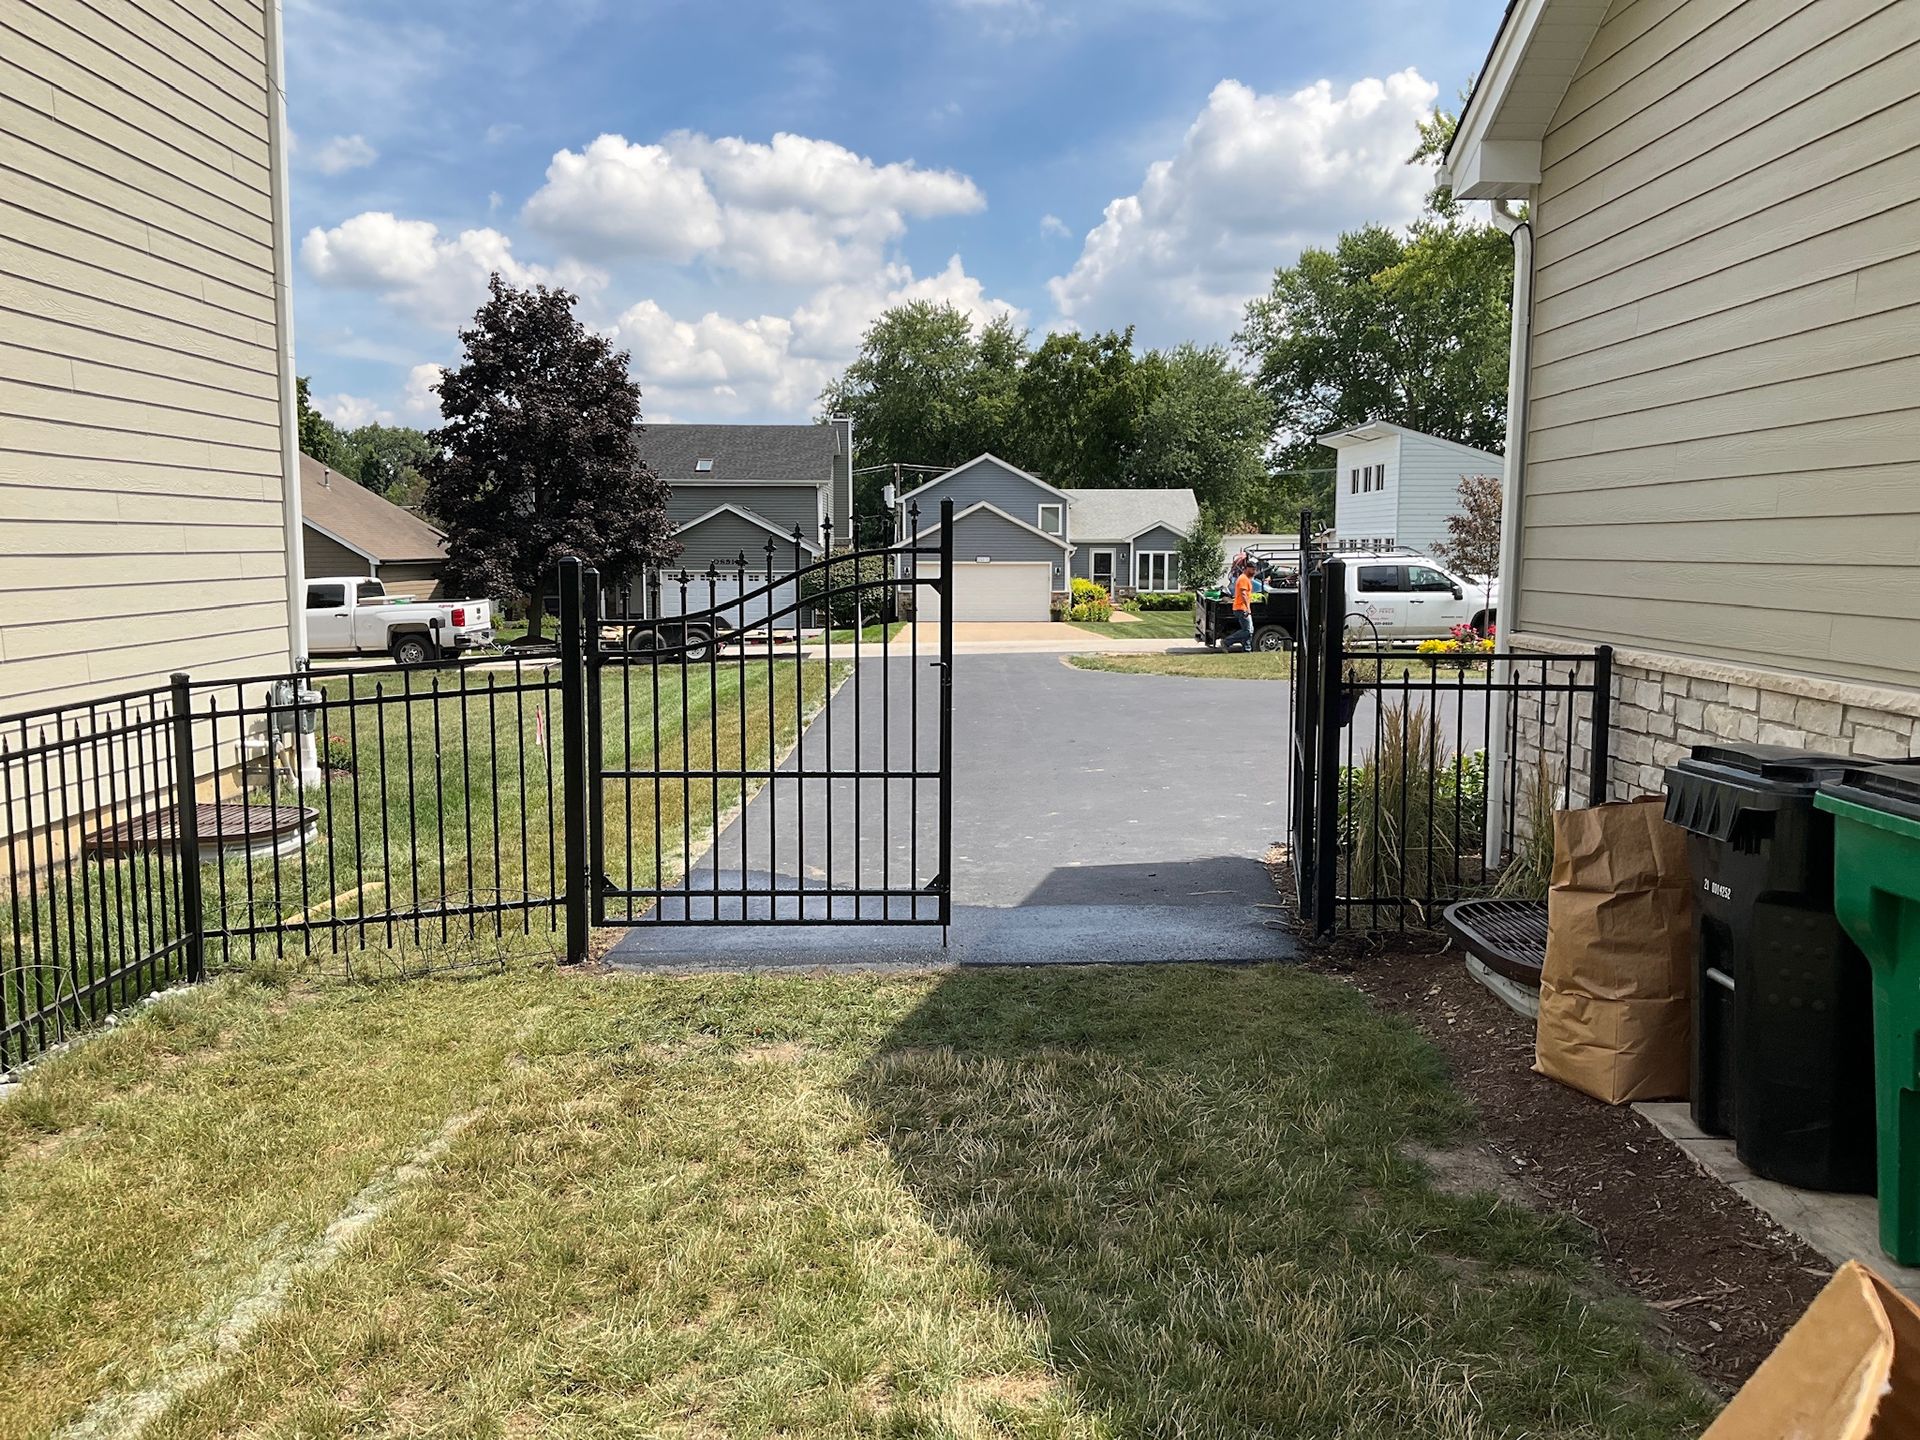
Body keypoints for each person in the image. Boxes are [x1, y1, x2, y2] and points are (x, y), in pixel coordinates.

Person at [1222, 566, 1256, 652]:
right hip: (1241, 608)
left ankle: (1247, 650)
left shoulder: (1246, 578)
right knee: (1248, 631)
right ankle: (1226, 642)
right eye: (1252, 569)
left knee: (1249, 630)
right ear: (1247, 568)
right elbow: (1243, 594)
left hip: (1242, 607)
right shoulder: (1243, 578)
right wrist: (1248, 608)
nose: (1254, 571)